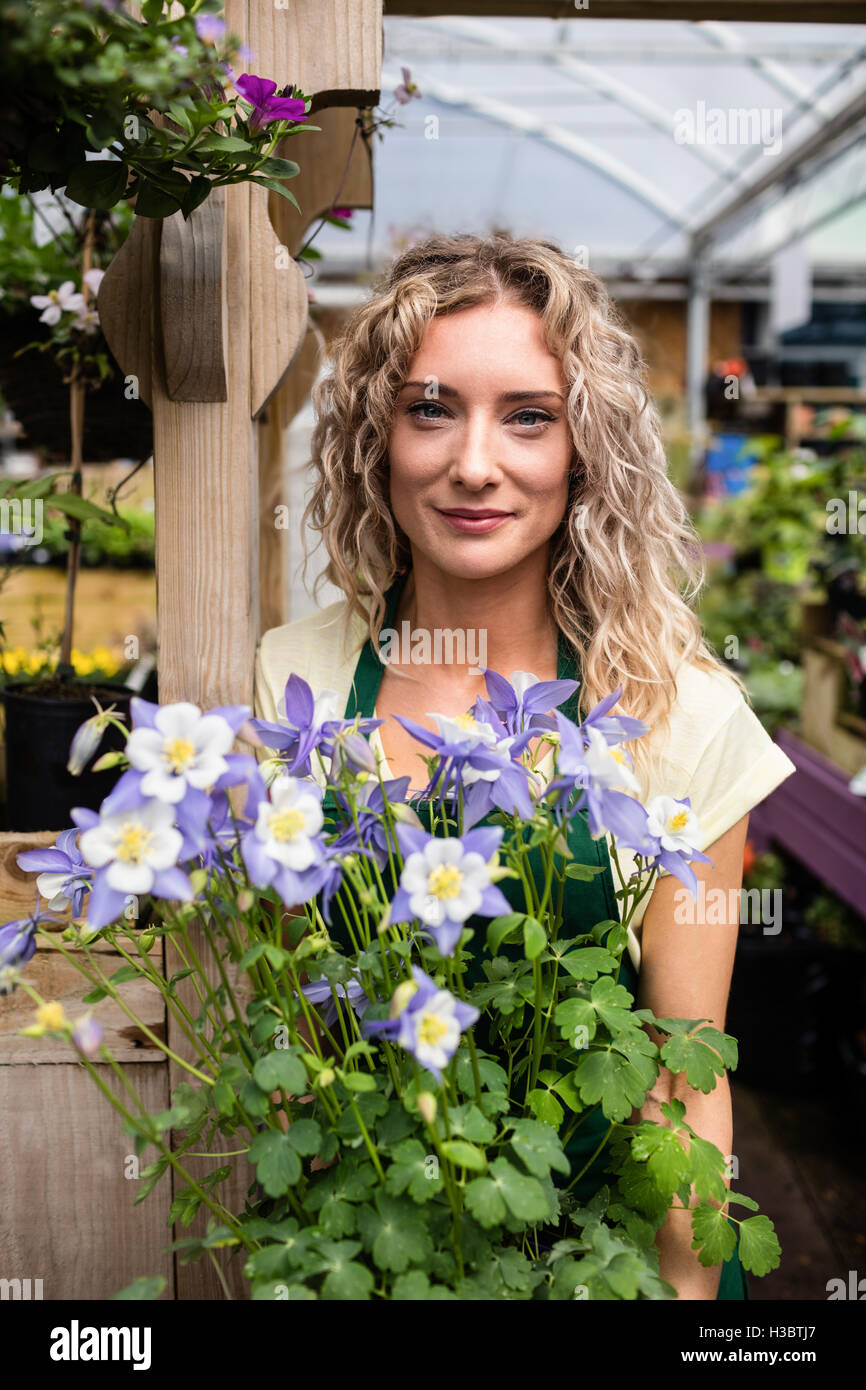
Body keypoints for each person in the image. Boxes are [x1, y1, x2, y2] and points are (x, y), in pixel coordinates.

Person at [253, 230, 796, 1300]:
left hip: (612, 1272)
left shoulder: (677, 713)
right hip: (383, 1261)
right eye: (431, 407)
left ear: (584, 447)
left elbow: (684, 1081)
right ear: (377, 431)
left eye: (528, 417)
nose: (472, 463)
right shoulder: (295, 679)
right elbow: (299, 1041)